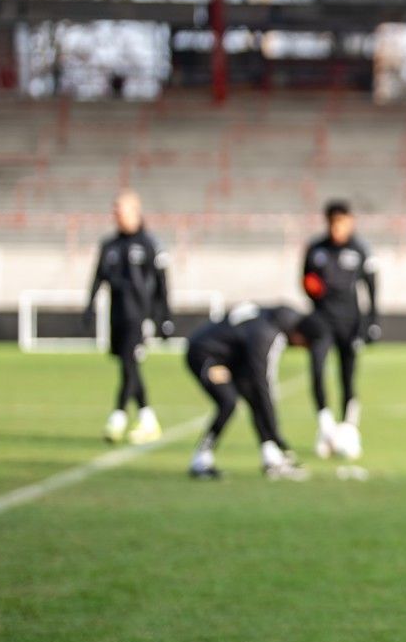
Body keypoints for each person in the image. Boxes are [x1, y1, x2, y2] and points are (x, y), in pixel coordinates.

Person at [182, 302, 320, 481]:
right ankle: (200, 460)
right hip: (205, 353)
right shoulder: (268, 335)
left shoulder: (273, 319)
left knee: (253, 397)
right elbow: (262, 382)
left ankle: (271, 456)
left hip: (231, 357)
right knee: (228, 402)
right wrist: (277, 434)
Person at [85, 189, 173, 444]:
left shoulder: (150, 244)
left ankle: (128, 417)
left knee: (129, 364)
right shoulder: (109, 245)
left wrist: (164, 317)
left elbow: (162, 283)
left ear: (135, 212)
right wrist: (89, 306)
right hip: (117, 316)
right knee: (127, 365)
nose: (116, 215)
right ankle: (132, 417)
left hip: (140, 316)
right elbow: (97, 277)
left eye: (120, 210)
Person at [301, 200, 380, 459]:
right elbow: (305, 280)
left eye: (343, 222)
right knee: (317, 370)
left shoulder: (360, 250)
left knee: (347, 377)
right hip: (322, 321)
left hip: (350, 322)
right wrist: (313, 290)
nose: (339, 228)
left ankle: (348, 430)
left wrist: (372, 321)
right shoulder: (316, 249)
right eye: (334, 223)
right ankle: (326, 428)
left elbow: (371, 286)